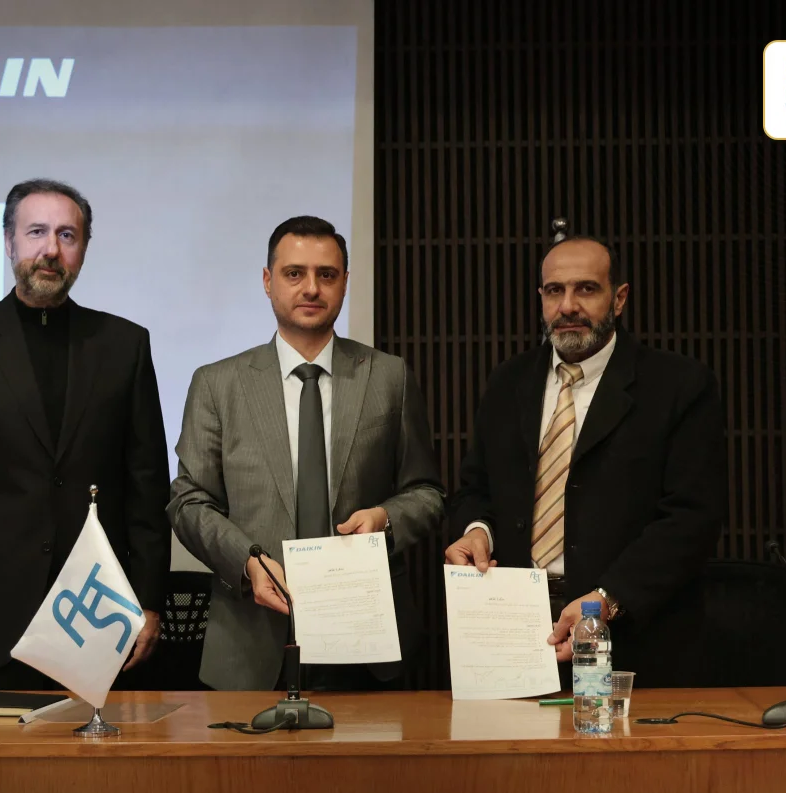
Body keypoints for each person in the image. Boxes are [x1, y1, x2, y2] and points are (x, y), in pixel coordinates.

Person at [0, 179, 171, 689]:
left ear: (83, 249)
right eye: (36, 232)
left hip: (102, 619)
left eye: (67, 235)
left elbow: (148, 488)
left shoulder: (125, 345)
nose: (51, 248)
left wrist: (150, 603)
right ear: (9, 243)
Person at [169, 216, 444, 691]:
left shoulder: (389, 376)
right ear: (267, 281)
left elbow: (427, 492)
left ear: (345, 282)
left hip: (366, 637)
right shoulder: (217, 384)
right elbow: (189, 501)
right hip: (251, 642)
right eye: (294, 273)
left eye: (327, 275)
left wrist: (385, 518)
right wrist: (248, 561)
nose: (311, 288)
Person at [444, 235, 726, 688]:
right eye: (554, 291)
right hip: (514, 635)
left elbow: (692, 518)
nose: (568, 306)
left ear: (620, 298)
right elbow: (475, 488)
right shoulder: (508, 382)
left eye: (586, 289)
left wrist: (605, 601)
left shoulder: (679, 386)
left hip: (633, 639)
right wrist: (478, 530)